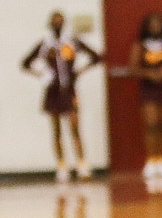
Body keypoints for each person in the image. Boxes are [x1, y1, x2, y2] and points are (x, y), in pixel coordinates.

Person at [21, 11, 102, 182]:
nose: (57, 24)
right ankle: (61, 166)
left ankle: (82, 165)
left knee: (74, 127)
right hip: (53, 90)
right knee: (56, 129)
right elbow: (25, 63)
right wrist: (41, 74)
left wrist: (79, 71)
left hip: (69, 89)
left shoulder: (71, 42)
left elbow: (96, 56)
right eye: (54, 21)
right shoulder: (45, 44)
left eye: (60, 21)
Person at [128, 12, 162, 181]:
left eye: (158, 24)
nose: (156, 27)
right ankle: (151, 160)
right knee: (151, 124)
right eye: (152, 24)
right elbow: (133, 67)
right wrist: (149, 73)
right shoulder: (141, 45)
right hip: (149, 89)